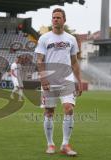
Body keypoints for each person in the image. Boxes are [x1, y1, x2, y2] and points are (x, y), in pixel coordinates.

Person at [35, 8, 82, 156]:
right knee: (49, 112)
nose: (55, 20)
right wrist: (43, 78)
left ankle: (65, 144)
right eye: (54, 18)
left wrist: (78, 81)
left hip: (67, 79)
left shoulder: (71, 39)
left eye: (58, 18)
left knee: (69, 108)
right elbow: (39, 60)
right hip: (49, 79)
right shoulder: (44, 38)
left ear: (64, 20)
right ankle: (50, 144)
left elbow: (74, 62)